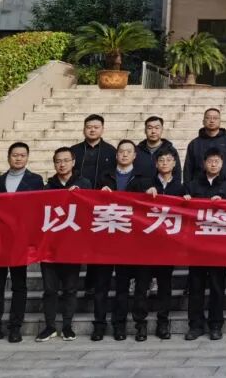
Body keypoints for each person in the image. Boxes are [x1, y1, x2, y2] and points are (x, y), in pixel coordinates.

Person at [0, 142, 43, 344]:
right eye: (15, 155)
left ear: (27, 158)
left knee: (19, 285)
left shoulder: (35, 180)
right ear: (8, 157)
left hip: (20, 240)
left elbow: (39, 208)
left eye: (22, 155)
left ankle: (15, 327)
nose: (18, 158)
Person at [96, 140, 153, 342]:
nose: (125, 154)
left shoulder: (144, 179)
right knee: (120, 287)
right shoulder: (105, 177)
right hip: (111, 238)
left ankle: (140, 325)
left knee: (140, 288)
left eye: (129, 151)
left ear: (135, 155)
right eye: (121, 151)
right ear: (116, 154)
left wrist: (152, 194)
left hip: (136, 240)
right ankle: (118, 325)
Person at [35, 147, 91, 344]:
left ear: (73, 162)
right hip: (49, 247)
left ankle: (67, 326)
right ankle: (50, 326)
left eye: (66, 160)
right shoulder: (47, 187)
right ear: (54, 164)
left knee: (70, 289)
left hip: (72, 246)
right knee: (50, 289)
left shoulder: (84, 184)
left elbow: (90, 210)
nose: (62, 164)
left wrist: (80, 195)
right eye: (58, 161)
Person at [185, 148, 226, 341]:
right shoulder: (192, 185)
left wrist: (224, 203)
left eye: (217, 161)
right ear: (204, 163)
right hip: (197, 244)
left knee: (217, 286)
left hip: (219, 244)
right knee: (196, 286)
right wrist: (186, 202)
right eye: (210, 161)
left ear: (222, 163)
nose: (213, 164)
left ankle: (216, 325)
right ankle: (195, 325)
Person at [139, 150, 189, 340]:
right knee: (142, 285)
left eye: (169, 160)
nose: (165, 163)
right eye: (161, 160)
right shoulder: (146, 184)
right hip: (146, 244)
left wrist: (188, 202)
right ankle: (140, 324)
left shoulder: (181, 187)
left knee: (165, 286)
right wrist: (144, 195)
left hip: (168, 245)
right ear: (156, 163)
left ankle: (162, 322)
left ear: (175, 164)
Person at [70, 114, 117, 303]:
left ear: (102, 129)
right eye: (89, 126)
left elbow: (114, 176)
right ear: (84, 129)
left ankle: (92, 285)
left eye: (96, 127)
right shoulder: (74, 151)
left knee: (97, 246)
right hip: (78, 207)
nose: (92, 130)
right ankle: (70, 286)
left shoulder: (111, 151)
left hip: (101, 207)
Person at [184, 107, 226, 184]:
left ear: (220, 121)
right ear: (203, 121)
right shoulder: (194, 143)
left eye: (215, 118)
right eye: (208, 118)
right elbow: (188, 168)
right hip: (199, 186)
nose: (212, 121)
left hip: (225, 185)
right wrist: (188, 187)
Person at [134, 115, 181, 183]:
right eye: (150, 128)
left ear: (162, 130)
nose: (153, 131)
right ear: (145, 130)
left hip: (162, 189)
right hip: (140, 188)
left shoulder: (171, 150)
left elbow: (177, 175)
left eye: (157, 128)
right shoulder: (136, 150)